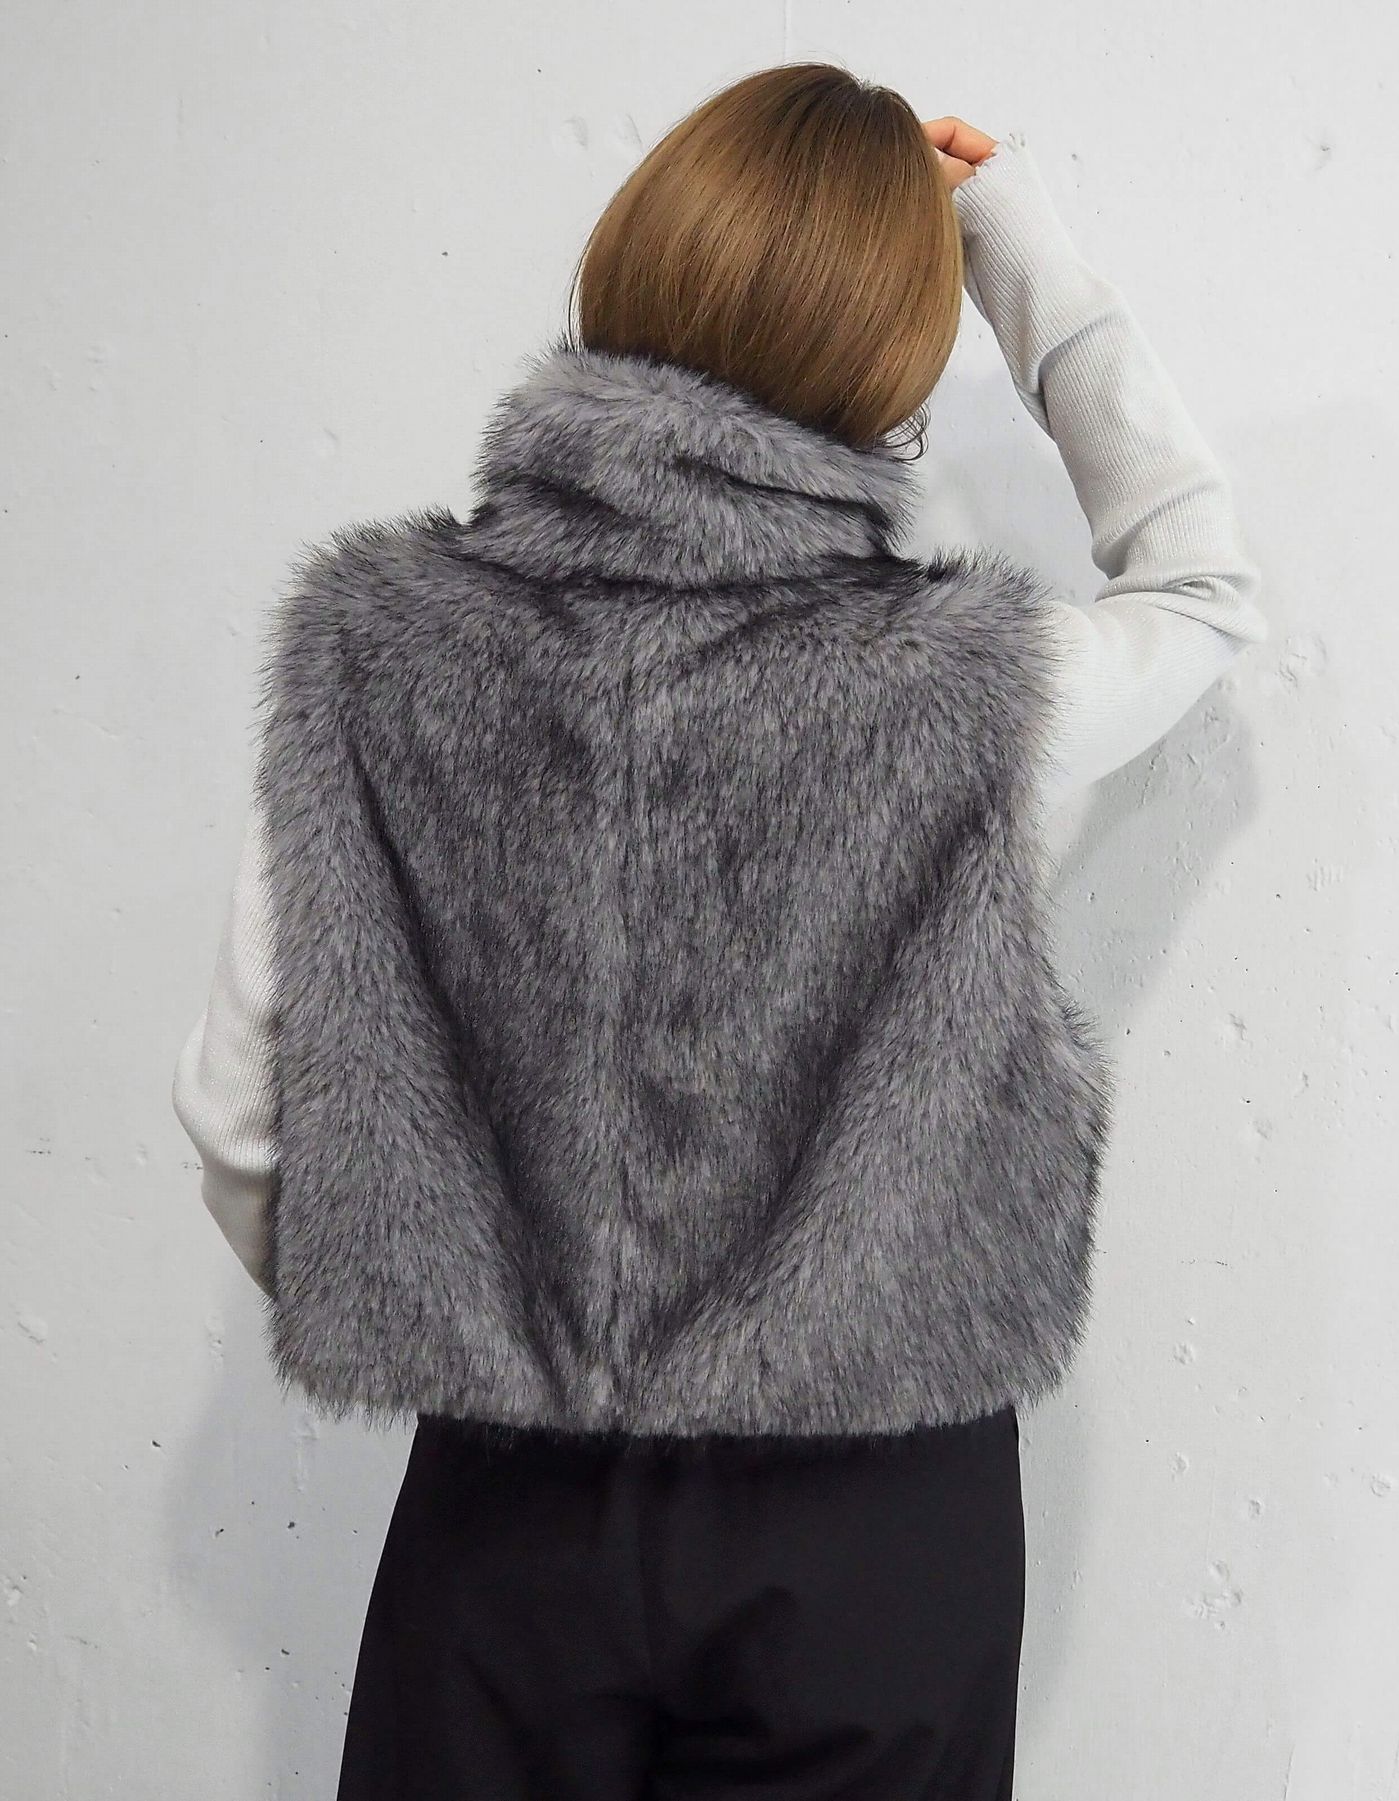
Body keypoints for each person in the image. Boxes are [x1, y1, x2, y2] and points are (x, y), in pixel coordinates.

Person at [171, 63, 1267, 1800]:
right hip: (874, 1524)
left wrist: (466, 1319)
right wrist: (1011, 242)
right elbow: (1197, 580)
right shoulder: (979, 690)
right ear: (891, 359)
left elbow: (240, 1114)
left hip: (511, 1514)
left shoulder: (375, 656)